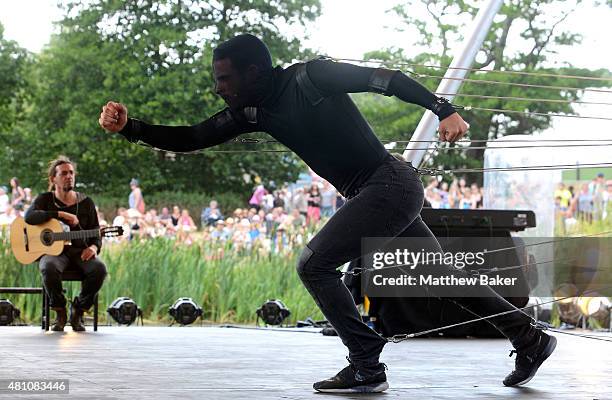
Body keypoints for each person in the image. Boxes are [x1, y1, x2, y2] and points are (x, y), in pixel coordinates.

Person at [99, 34, 553, 393]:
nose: (218, 88)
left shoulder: (312, 78)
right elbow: (194, 137)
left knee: (313, 264)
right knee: (439, 278)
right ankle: (529, 337)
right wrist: (131, 128)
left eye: (223, 79)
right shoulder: (254, 110)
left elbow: (387, 79)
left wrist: (443, 109)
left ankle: (366, 363)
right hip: (379, 192)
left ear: (253, 71)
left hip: (388, 184)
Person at [24, 156, 107, 332]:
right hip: (53, 252)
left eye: (71, 173)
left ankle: (78, 310)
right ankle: (60, 310)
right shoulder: (45, 199)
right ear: (53, 178)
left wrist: (93, 247)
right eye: (63, 173)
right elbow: (29, 218)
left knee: (99, 269)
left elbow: (96, 233)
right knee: (48, 267)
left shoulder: (86, 202)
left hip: (78, 251)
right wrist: (61, 215)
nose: (69, 176)